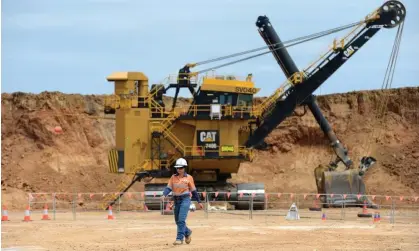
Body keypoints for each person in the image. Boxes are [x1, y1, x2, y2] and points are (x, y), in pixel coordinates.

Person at [162, 157, 204, 245]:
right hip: (176, 200)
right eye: (177, 168)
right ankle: (187, 232)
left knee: (181, 220)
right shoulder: (173, 177)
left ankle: (179, 239)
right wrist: (164, 194)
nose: (179, 169)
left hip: (185, 200)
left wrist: (199, 202)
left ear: (184, 168)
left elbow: (193, 191)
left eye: (180, 168)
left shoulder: (189, 178)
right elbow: (168, 188)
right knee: (178, 221)